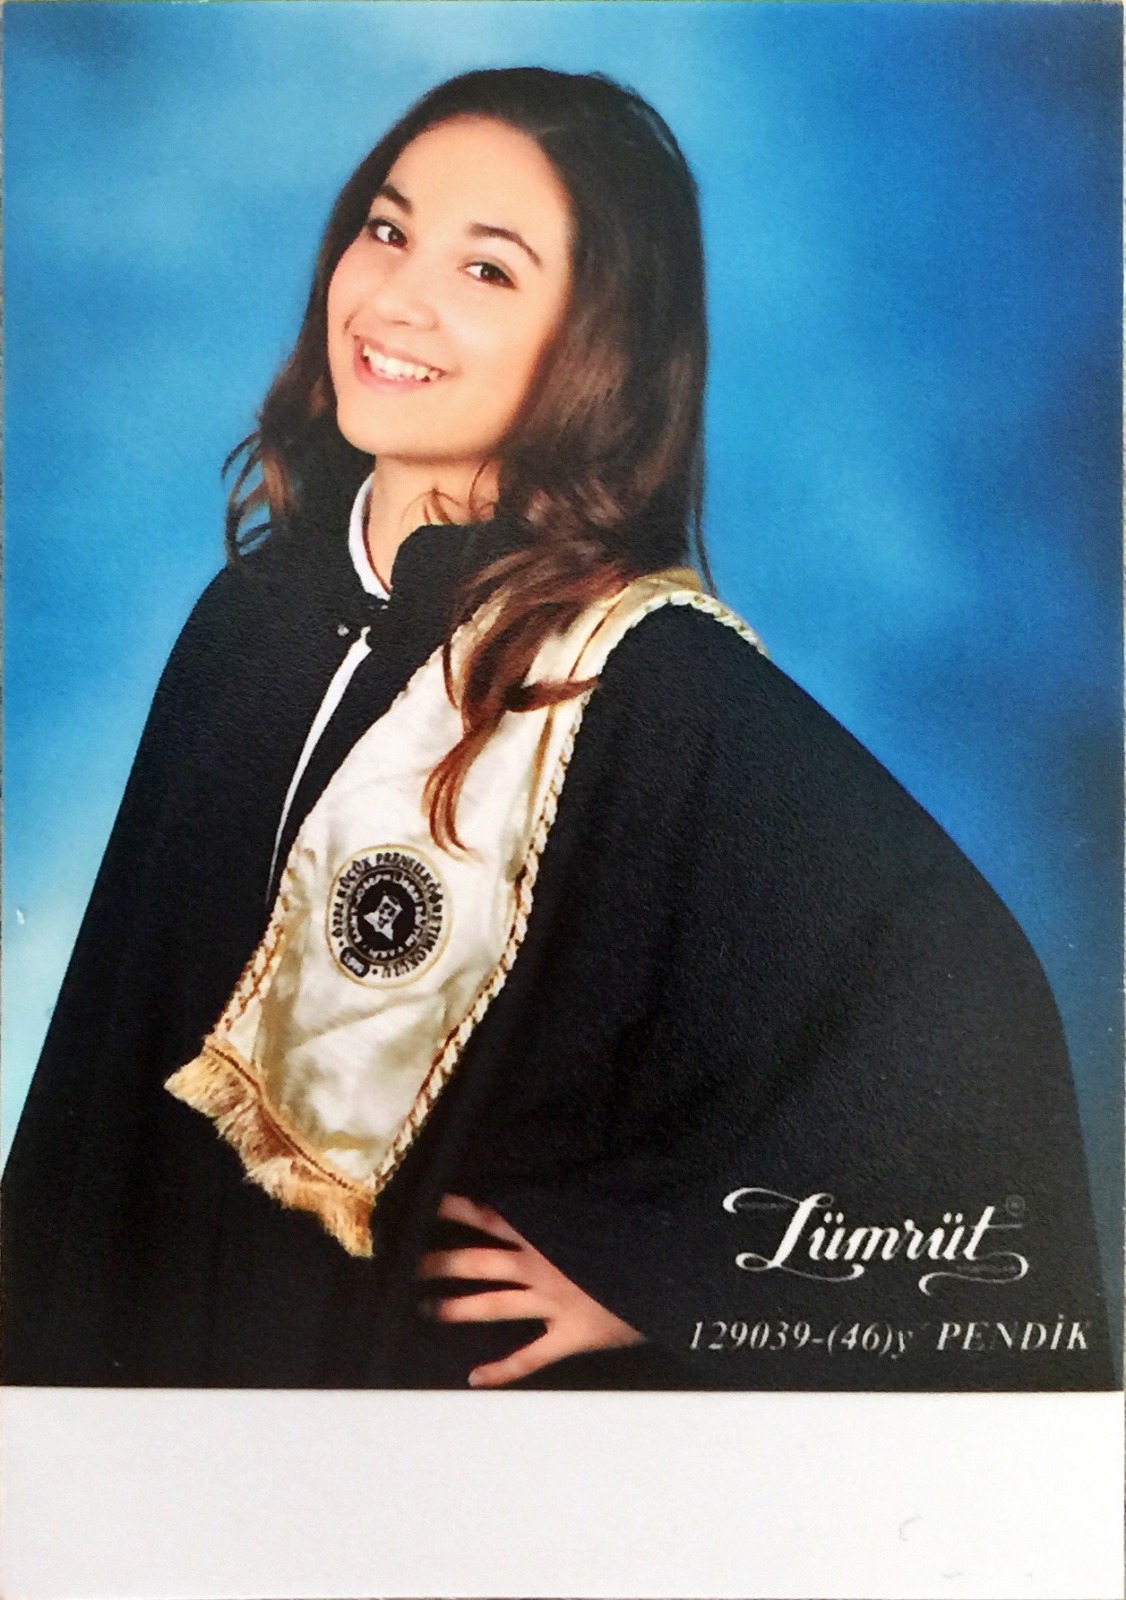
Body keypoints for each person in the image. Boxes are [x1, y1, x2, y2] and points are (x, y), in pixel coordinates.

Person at [1, 67, 1114, 1392]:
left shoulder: (647, 685)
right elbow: (108, 1054)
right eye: (387, 229)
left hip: (425, 1406)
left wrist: (668, 1271)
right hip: (183, 1364)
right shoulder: (252, 617)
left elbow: (952, 1006)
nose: (395, 299)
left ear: (599, 347)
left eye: (487, 270)